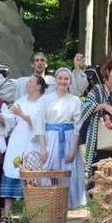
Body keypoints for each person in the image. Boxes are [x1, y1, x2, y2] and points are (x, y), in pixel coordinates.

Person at [0, 75, 46, 223]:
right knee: (13, 172)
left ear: (39, 86)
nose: (27, 84)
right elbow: (9, 119)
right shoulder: (21, 101)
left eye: (31, 82)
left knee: (31, 177)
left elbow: (39, 123)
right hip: (17, 142)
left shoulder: (43, 103)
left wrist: (22, 115)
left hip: (33, 143)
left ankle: (31, 216)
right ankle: (6, 215)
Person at [36, 67, 84, 209]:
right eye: (60, 78)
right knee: (49, 170)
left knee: (67, 172)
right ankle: (49, 206)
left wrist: (74, 149)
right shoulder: (45, 100)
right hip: (51, 138)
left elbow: (78, 126)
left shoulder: (75, 100)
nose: (63, 81)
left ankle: (65, 208)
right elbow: (40, 125)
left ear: (70, 81)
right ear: (55, 80)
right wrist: (43, 148)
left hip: (68, 139)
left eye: (66, 78)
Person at [0, 52, 88, 102]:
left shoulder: (55, 82)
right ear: (32, 65)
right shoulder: (22, 83)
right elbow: (1, 89)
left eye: (42, 60)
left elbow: (76, 90)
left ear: (46, 64)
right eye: (36, 61)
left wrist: (77, 67)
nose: (39, 63)